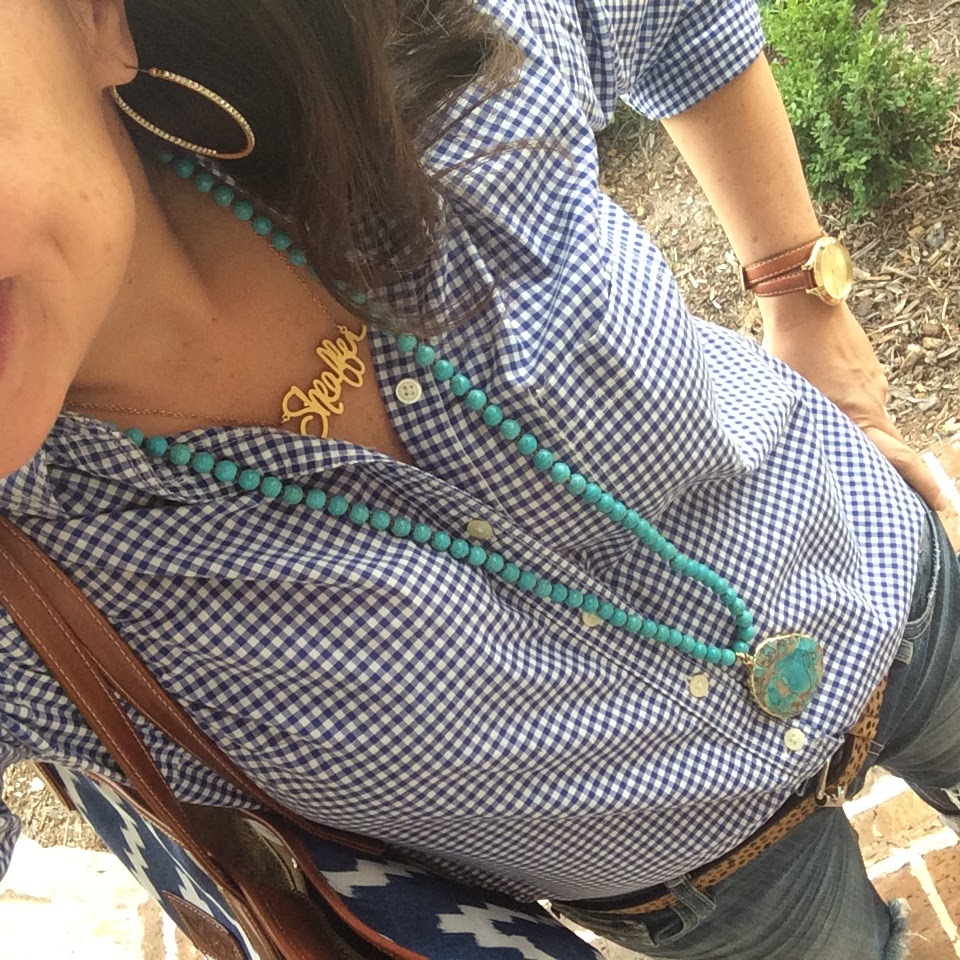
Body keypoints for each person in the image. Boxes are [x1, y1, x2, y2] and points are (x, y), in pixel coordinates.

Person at [0, 0, 956, 956]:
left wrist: (801, 291)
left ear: (92, 18)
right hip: (721, 894)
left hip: (894, 589)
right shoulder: (22, 614)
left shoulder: (416, 54)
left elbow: (679, 19)